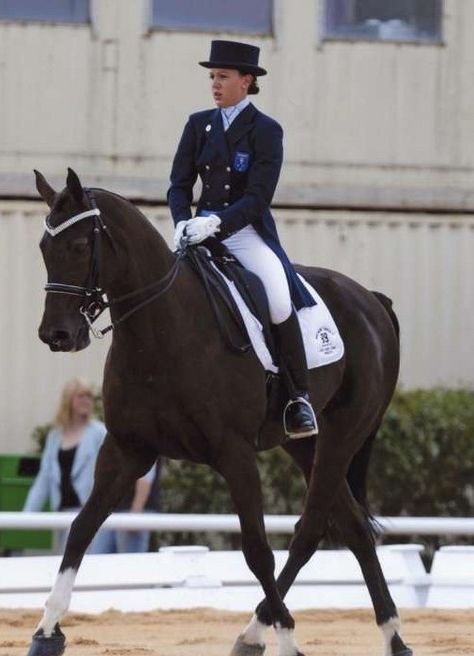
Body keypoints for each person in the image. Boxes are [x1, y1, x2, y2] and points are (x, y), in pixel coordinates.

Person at [168, 39, 318, 439]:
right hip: (197, 233)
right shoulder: (198, 124)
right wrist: (182, 221)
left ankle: (298, 398)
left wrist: (216, 224)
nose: (215, 84)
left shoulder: (267, 131)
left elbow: (257, 198)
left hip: (244, 233)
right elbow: (178, 185)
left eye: (223, 77)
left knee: (278, 298)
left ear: (246, 81)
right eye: (212, 77)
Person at [23, 377, 108, 554]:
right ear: (68, 400)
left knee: (81, 563)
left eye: (88, 396)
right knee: (59, 561)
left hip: (86, 511)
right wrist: (27, 515)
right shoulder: (55, 436)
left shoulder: (99, 432)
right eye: (80, 396)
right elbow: (44, 478)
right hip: (61, 511)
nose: (86, 400)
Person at [93, 458, 162, 553]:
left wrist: (136, 511)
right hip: (114, 509)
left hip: (131, 509)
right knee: (99, 557)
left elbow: (146, 474)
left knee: (129, 561)